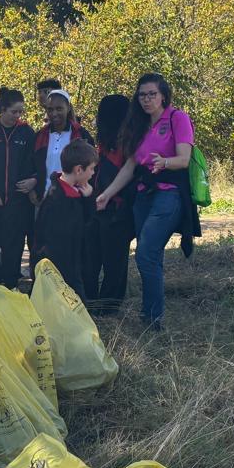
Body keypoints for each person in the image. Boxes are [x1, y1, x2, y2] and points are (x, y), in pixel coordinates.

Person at [96, 73, 201, 328]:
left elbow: (184, 159)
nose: (146, 99)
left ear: (163, 95)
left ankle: (152, 318)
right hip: (143, 195)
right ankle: (150, 313)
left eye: (152, 94)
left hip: (169, 193)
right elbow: (130, 165)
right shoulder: (138, 124)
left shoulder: (177, 118)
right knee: (152, 255)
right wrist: (107, 193)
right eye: (142, 95)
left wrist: (164, 162)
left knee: (145, 254)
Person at [0, 88, 37, 289]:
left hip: (17, 203)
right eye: (14, 111)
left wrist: (34, 180)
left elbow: (36, 163)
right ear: (2, 109)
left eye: (20, 112)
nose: (17, 116)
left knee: (13, 248)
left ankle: (11, 287)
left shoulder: (27, 133)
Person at [84, 94, 133, 315]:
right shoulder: (104, 144)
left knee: (114, 262)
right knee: (93, 259)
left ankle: (107, 307)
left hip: (116, 211)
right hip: (97, 209)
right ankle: (93, 302)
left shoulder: (128, 144)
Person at [32, 140, 97, 299]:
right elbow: (55, 244)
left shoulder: (74, 192)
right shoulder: (57, 200)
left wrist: (89, 199)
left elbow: (86, 222)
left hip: (74, 267)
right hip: (61, 274)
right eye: (91, 169)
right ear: (79, 170)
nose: (93, 173)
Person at [31, 89, 89, 192]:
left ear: (68, 108)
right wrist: (33, 191)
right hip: (44, 197)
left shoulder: (81, 135)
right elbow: (31, 166)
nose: (54, 113)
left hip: (72, 197)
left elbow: (89, 167)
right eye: (50, 109)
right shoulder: (39, 136)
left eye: (59, 109)